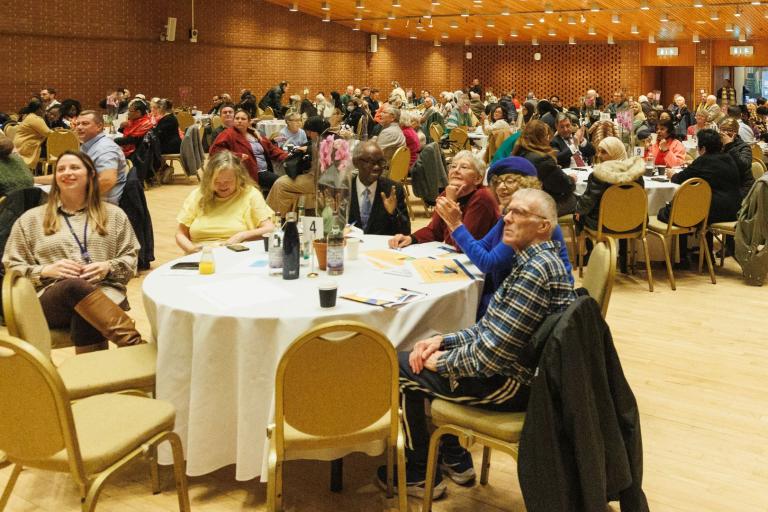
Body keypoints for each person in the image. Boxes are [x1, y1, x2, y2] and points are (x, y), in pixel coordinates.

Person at [377, 188, 576, 498]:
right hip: (512, 370)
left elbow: (490, 357)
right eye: (508, 210)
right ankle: (451, 456)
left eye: (519, 213)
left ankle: (417, 473)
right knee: (417, 354)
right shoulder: (531, 260)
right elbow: (491, 327)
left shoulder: (535, 271)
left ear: (543, 227)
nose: (507, 218)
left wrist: (439, 361)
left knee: (400, 369)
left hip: (513, 384)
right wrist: (443, 341)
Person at [2, 151, 142, 353]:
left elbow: (131, 259)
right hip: (48, 298)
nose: (67, 173)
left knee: (86, 312)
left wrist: (107, 267)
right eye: (61, 169)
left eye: (74, 167)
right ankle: (135, 347)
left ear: (91, 175)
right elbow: (11, 268)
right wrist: (46, 270)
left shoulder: (114, 215)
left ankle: (91, 382)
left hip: (105, 293)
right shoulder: (31, 219)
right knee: (74, 287)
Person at [437, 156, 572, 318]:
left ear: (527, 184)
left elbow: (488, 263)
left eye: (509, 181)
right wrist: (454, 224)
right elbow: (482, 246)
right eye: (498, 182)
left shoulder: (530, 221)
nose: (501, 187)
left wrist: (456, 225)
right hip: (515, 292)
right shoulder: (507, 216)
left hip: (540, 307)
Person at [388, 150, 498, 251]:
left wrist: (451, 202)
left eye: (464, 167)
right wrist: (411, 238)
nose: (456, 170)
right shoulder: (447, 194)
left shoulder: (482, 197)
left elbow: (462, 247)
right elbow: (435, 231)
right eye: (453, 166)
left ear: (478, 178)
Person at [176, 150, 274, 254]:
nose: (222, 186)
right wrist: (192, 250)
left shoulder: (250, 194)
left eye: (228, 181)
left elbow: (270, 228)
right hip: (200, 254)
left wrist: (242, 236)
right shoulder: (198, 195)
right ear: (209, 180)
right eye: (216, 182)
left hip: (235, 254)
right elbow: (180, 234)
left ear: (239, 178)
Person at [36, 111, 128, 205]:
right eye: (77, 124)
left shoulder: (105, 149)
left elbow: (107, 180)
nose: (79, 127)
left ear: (99, 126)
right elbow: (66, 175)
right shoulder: (87, 146)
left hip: (99, 206)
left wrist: (75, 197)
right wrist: (33, 180)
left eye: (85, 124)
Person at [575, 137, 645, 232]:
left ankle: (593, 247)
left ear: (615, 153)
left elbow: (587, 203)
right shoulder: (636, 174)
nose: (599, 155)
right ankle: (624, 247)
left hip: (603, 226)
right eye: (598, 151)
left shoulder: (599, 176)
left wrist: (578, 210)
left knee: (578, 215)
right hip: (635, 224)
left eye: (604, 152)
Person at [209, 109, 288, 192]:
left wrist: (287, 156)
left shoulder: (254, 134)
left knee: (287, 179)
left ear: (249, 122)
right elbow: (214, 151)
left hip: (265, 170)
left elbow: (271, 149)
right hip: (249, 173)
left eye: (243, 119)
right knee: (282, 184)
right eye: (237, 118)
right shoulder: (228, 134)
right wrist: (237, 156)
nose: (239, 121)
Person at [266, 116, 329, 215]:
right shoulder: (318, 140)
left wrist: (308, 149)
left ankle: (275, 216)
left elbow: (325, 151)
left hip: (319, 179)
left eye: (310, 131)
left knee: (280, 183)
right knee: (280, 183)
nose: (308, 134)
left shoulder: (329, 141)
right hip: (312, 176)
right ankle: (276, 215)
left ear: (316, 131)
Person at [513, 120, 576, 215]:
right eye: (547, 136)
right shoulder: (543, 159)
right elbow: (564, 186)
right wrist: (572, 179)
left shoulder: (518, 153)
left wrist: (554, 169)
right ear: (540, 138)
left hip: (521, 201)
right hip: (537, 206)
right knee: (576, 200)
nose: (549, 139)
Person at [347, 141, 410, 236]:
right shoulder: (345, 190)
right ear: (356, 163)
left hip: (381, 248)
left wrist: (393, 213)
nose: (376, 167)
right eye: (371, 162)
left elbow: (406, 232)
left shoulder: (393, 190)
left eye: (380, 162)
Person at [719, 118, 755, 199]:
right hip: (724, 184)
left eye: (729, 130)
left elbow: (743, 166)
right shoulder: (718, 145)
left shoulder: (744, 147)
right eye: (722, 130)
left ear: (736, 132)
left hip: (741, 187)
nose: (725, 133)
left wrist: (729, 145)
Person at [13, 98, 51, 170]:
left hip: (21, 144)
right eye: (44, 109)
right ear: (39, 109)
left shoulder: (30, 116)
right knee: (53, 151)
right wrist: (58, 132)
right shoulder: (35, 119)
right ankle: (48, 171)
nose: (44, 112)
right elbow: (48, 133)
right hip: (26, 145)